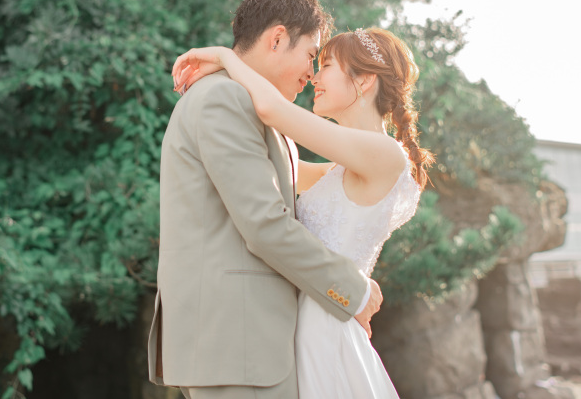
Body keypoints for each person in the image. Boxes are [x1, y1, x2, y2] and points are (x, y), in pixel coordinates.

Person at [170, 26, 433, 398]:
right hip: (301, 321)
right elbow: (274, 154)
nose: (314, 77)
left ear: (365, 80)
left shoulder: (385, 155)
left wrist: (227, 58)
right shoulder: (338, 172)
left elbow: (272, 110)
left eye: (326, 66)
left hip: (326, 327)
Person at [147, 0, 383, 399]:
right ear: (277, 39)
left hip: (247, 346)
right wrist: (354, 289)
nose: (312, 74)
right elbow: (264, 225)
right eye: (311, 54)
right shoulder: (224, 99)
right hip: (237, 344)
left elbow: (317, 180)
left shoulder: (253, 108)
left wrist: (378, 167)